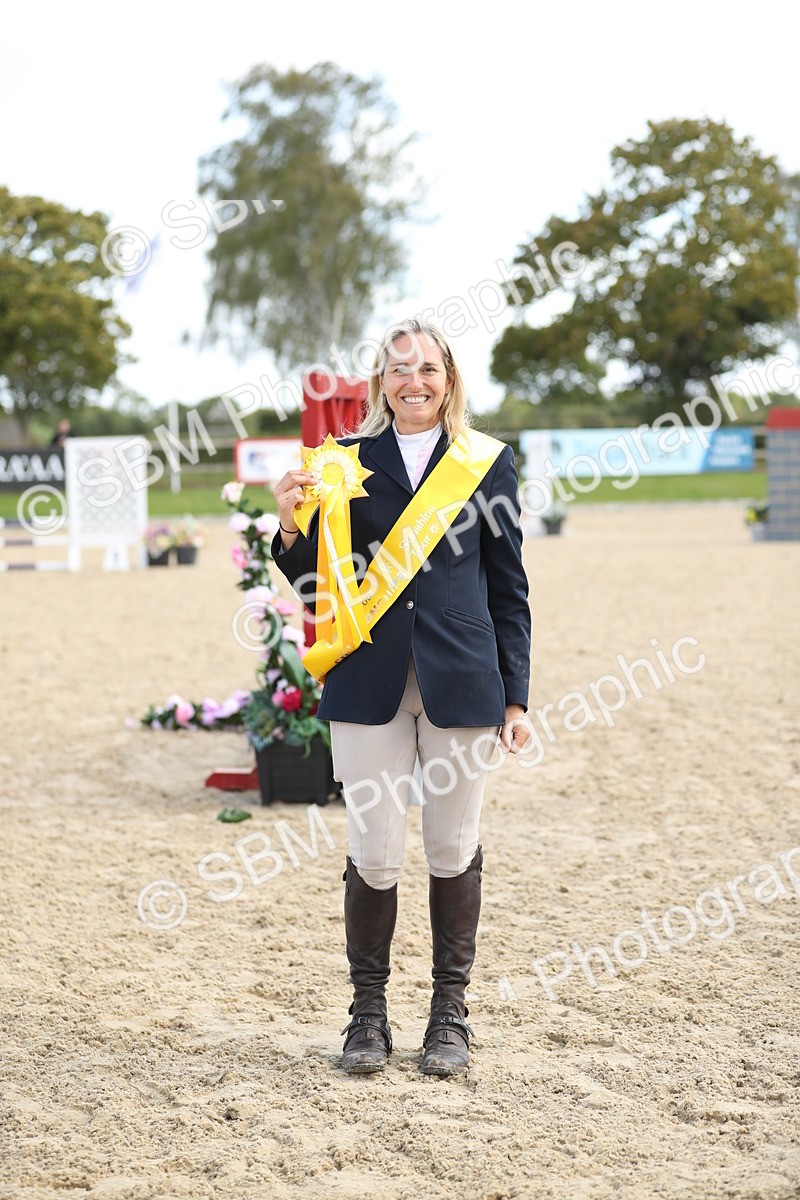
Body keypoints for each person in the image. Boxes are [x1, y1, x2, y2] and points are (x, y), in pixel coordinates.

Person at [271, 318, 532, 1077]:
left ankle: (450, 1015)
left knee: (451, 848)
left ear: (448, 378)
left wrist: (517, 696)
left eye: (426, 368)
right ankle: (368, 1015)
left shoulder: (487, 463)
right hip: (368, 680)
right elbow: (318, 582)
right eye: (397, 369)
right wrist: (287, 527)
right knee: (375, 850)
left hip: (465, 681)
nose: (412, 381)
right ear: (379, 381)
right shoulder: (343, 461)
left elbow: (509, 586)